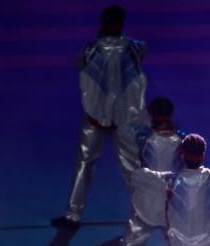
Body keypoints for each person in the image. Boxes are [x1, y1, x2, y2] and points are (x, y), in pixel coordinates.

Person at [52, 5, 148, 229]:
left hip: (119, 118)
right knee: (89, 164)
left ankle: (143, 214)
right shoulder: (96, 49)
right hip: (101, 116)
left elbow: (130, 84)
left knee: (128, 167)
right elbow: (88, 81)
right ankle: (74, 215)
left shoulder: (129, 48)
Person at [93, 97, 184, 246]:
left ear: (152, 115)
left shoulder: (142, 137)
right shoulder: (183, 140)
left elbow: (121, 131)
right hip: (171, 206)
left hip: (147, 204)